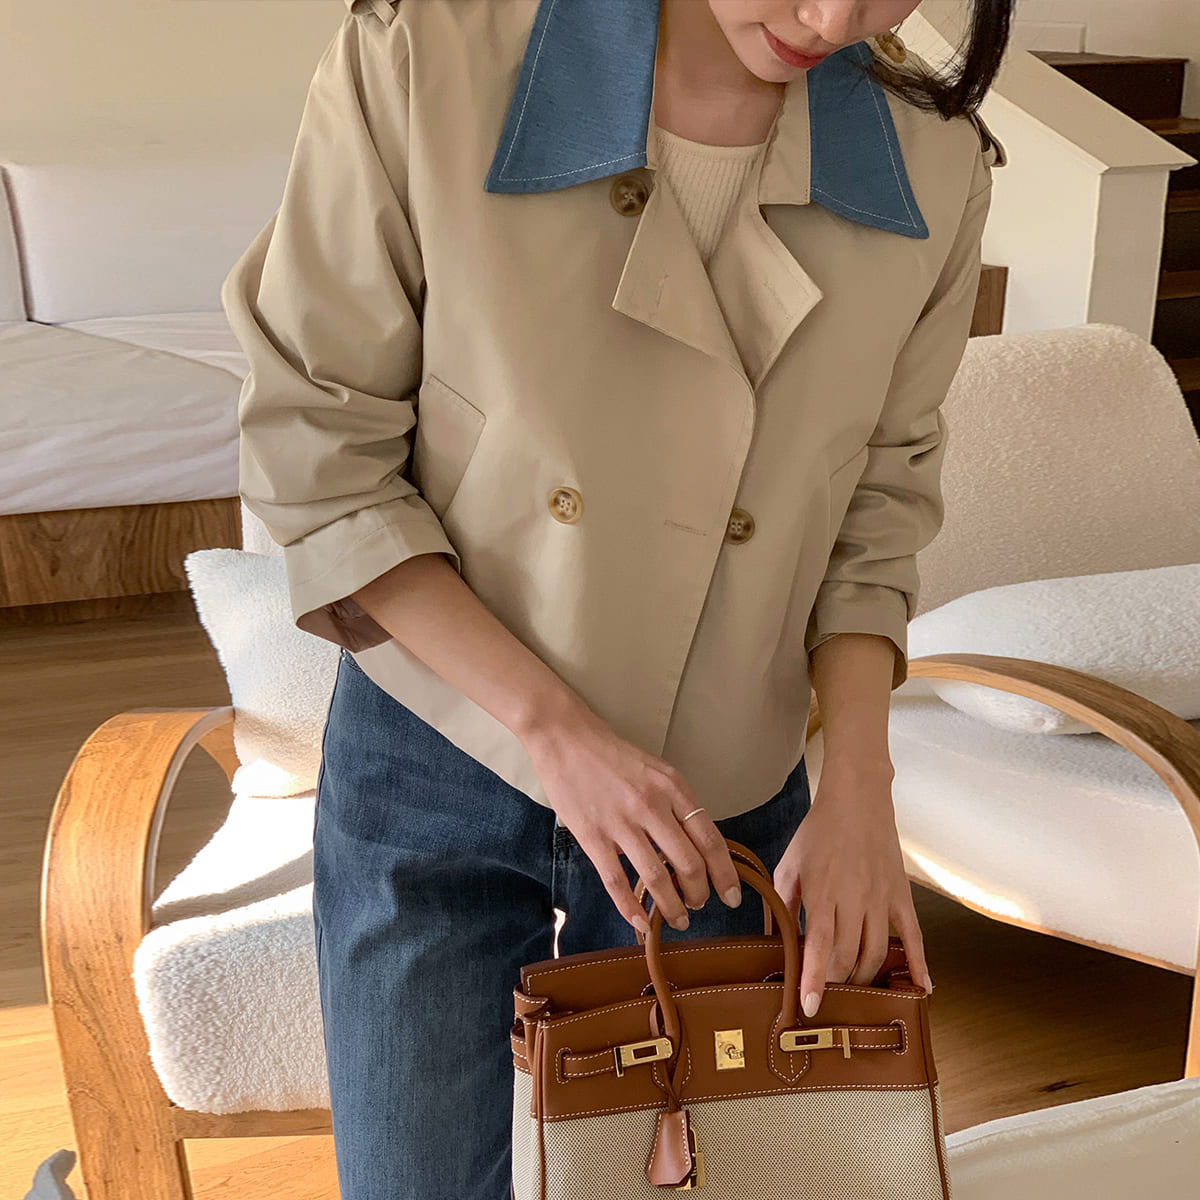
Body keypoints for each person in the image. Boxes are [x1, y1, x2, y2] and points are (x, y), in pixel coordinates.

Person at [221, 0, 1012, 1195]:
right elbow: (320, 458)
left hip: (720, 812)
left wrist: (860, 782)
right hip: (439, 755)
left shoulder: (934, 166)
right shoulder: (428, 63)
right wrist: (554, 732)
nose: (832, 17)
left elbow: (880, 505)